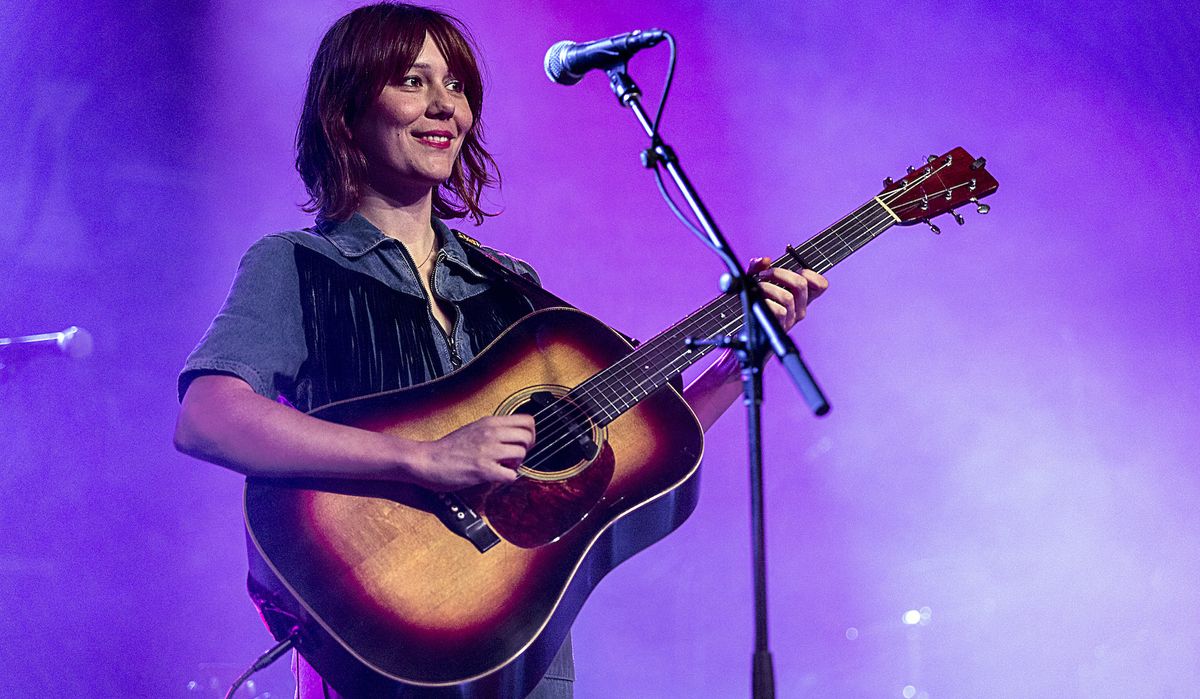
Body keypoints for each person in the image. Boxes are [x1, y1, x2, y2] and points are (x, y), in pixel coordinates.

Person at [173, 3, 828, 698]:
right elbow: (207, 416)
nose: (444, 107)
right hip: (375, 646)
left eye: (456, 86)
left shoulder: (511, 287)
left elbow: (629, 447)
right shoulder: (297, 264)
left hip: (526, 650)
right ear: (347, 108)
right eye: (412, 80)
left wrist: (733, 365)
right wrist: (424, 456)